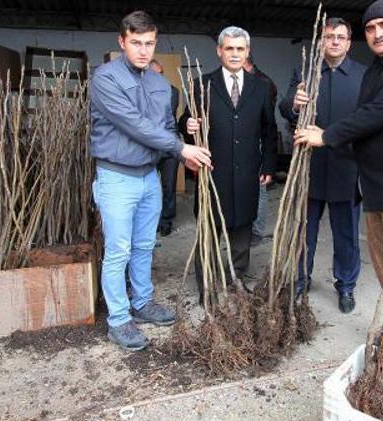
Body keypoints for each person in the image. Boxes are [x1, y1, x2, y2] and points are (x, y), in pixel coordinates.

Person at [295, 0, 383, 359]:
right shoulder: (377, 67)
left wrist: (326, 136)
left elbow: (376, 113)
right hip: (373, 185)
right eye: (371, 28)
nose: (377, 33)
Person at [90, 11, 210, 351]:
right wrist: (180, 147)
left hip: (148, 177)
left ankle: (142, 303)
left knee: (144, 245)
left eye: (150, 43)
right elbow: (134, 125)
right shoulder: (105, 78)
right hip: (116, 176)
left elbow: (165, 130)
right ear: (122, 41)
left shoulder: (160, 84)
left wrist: (184, 156)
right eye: (137, 43)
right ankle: (118, 319)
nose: (144, 50)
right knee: (118, 251)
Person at [179, 26, 277, 303]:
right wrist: (188, 125)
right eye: (229, 48)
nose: (235, 54)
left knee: (242, 231)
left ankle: (236, 280)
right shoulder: (203, 84)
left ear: (247, 52)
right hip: (212, 173)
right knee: (208, 232)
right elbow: (186, 122)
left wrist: (268, 165)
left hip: (248, 172)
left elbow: (269, 130)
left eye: (240, 49)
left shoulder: (260, 87)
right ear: (219, 51)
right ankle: (206, 287)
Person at [279, 17, 365, 314]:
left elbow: (367, 120)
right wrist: (294, 102)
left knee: (346, 233)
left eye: (341, 37)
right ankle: (301, 279)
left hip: (346, 165)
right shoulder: (305, 72)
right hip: (309, 167)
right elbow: (284, 108)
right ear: (321, 41)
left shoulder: (362, 76)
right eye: (330, 36)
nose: (335, 41)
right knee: (304, 229)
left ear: (349, 42)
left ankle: (346, 286)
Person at [242, 54, 278, 247]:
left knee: (259, 188)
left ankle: (256, 231)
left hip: (257, 142)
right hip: (247, 141)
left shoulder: (262, 82)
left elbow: (267, 123)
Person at [149, 58, 181, 237]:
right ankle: (151, 221)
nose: (159, 77)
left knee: (169, 186)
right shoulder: (139, 92)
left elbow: (163, 115)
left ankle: (166, 221)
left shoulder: (172, 91)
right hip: (149, 147)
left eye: (161, 73)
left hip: (169, 146)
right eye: (155, 73)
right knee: (151, 188)